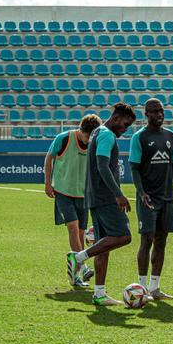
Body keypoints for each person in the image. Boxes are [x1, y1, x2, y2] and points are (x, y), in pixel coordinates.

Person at [65, 103, 136, 306]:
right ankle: (78, 257)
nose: (125, 129)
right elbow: (102, 165)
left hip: (94, 197)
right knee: (124, 236)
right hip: (105, 197)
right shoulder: (106, 134)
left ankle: (99, 293)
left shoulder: (97, 131)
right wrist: (118, 194)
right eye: (125, 124)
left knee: (103, 246)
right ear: (115, 118)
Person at [128, 98, 173, 300]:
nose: (159, 115)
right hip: (148, 198)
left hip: (167, 198)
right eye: (155, 112)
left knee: (161, 241)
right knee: (146, 239)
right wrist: (141, 192)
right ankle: (142, 287)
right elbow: (134, 169)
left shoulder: (171, 136)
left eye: (161, 111)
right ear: (146, 114)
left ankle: (155, 288)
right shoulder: (139, 138)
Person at [44, 113, 102, 287]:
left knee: (81, 233)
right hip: (63, 191)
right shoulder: (63, 139)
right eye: (86, 137)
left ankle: (75, 275)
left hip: (83, 194)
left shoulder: (94, 143)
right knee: (73, 227)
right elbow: (49, 157)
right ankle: (83, 267)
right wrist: (48, 182)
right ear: (80, 130)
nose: (87, 141)